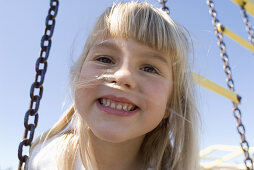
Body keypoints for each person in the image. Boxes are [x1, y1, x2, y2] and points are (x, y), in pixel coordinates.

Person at [26, 1, 200, 170]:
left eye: (149, 68)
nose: (122, 76)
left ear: (171, 103)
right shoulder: (43, 161)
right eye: (105, 59)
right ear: (78, 76)